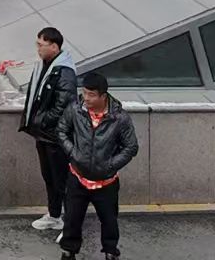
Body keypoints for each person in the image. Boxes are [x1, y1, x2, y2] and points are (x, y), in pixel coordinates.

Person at [58, 71, 139, 260]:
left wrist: (110, 165)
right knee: (72, 220)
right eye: (84, 92)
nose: (86, 98)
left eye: (91, 94)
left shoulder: (119, 118)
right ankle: (68, 251)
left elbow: (131, 147)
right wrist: (73, 153)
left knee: (109, 222)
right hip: (78, 177)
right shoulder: (75, 110)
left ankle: (110, 252)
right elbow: (62, 130)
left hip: (106, 182)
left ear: (103, 96)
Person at [20, 26, 80, 232]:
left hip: (55, 136)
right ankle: (54, 215)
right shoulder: (45, 66)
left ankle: (70, 224)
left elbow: (63, 105)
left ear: (54, 46)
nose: (38, 49)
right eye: (37, 44)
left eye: (41, 45)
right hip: (44, 134)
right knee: (50, 178)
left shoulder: (64, 72)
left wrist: (41, 121)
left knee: (61, 180)